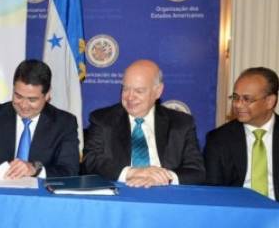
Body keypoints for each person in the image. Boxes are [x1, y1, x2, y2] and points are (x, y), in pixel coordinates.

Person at [83, 59, 205, 187]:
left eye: (139, 91)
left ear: (158, 91)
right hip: (122, 193)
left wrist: (163, 177)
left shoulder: (181, 123)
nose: (130, 97)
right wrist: (133, 172)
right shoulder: (102, 119)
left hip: (165, 195)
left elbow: (197, 171)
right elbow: (90, 162)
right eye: (125, 89)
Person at [0, 59, 80, 178]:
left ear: (47, 95)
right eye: (18, 96)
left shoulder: (64, 123)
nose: (24, 105)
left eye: (32, 99)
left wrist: (34, 170)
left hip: (41, 197)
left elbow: (70, 171)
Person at [204, 67, 279, 200]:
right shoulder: (218, 139)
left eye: (247, 99)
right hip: (238, 213)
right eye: (235, 97)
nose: (238, 105)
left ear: (270, 101)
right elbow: (212, 192)